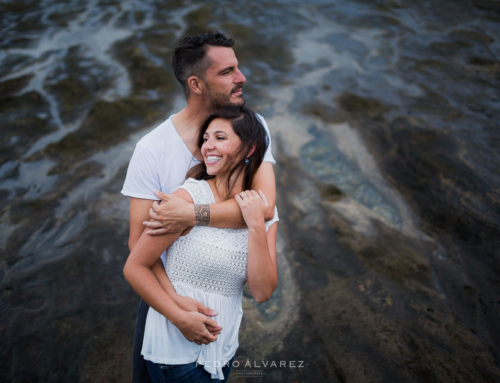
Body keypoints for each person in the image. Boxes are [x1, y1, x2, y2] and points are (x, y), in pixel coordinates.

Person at [121, 32, 277, 382]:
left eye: (237, 68)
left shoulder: (252, 128)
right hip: (163, 292)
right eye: (228, 72)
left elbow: (264, 209)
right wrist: (175, 305)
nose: (242, 78)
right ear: (196, 83)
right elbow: (137, 245)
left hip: (220, 298)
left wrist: (192, 215)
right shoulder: (152, 150)